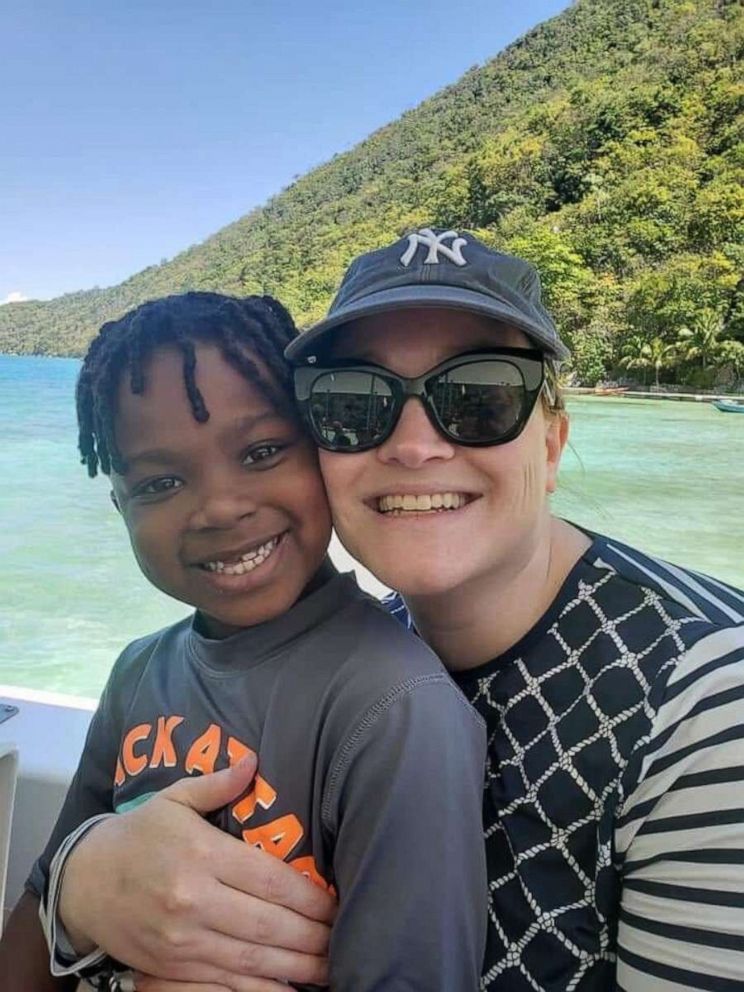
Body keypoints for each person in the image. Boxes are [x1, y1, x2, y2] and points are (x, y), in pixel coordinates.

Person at [23, 230, 744, 991]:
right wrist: (78, 883)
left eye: (480, 398)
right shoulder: (368, 640)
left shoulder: (705, 698)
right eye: (354, 403)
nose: (413, 445)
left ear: (553, 442)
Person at [0, 290, 488, 991]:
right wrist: (73, 910)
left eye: (262, 451)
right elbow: (44, 907)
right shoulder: (138, 672)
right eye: (161, 481)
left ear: (323, 446)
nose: (221, 507)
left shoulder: (398, 712)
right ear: (120, 506)